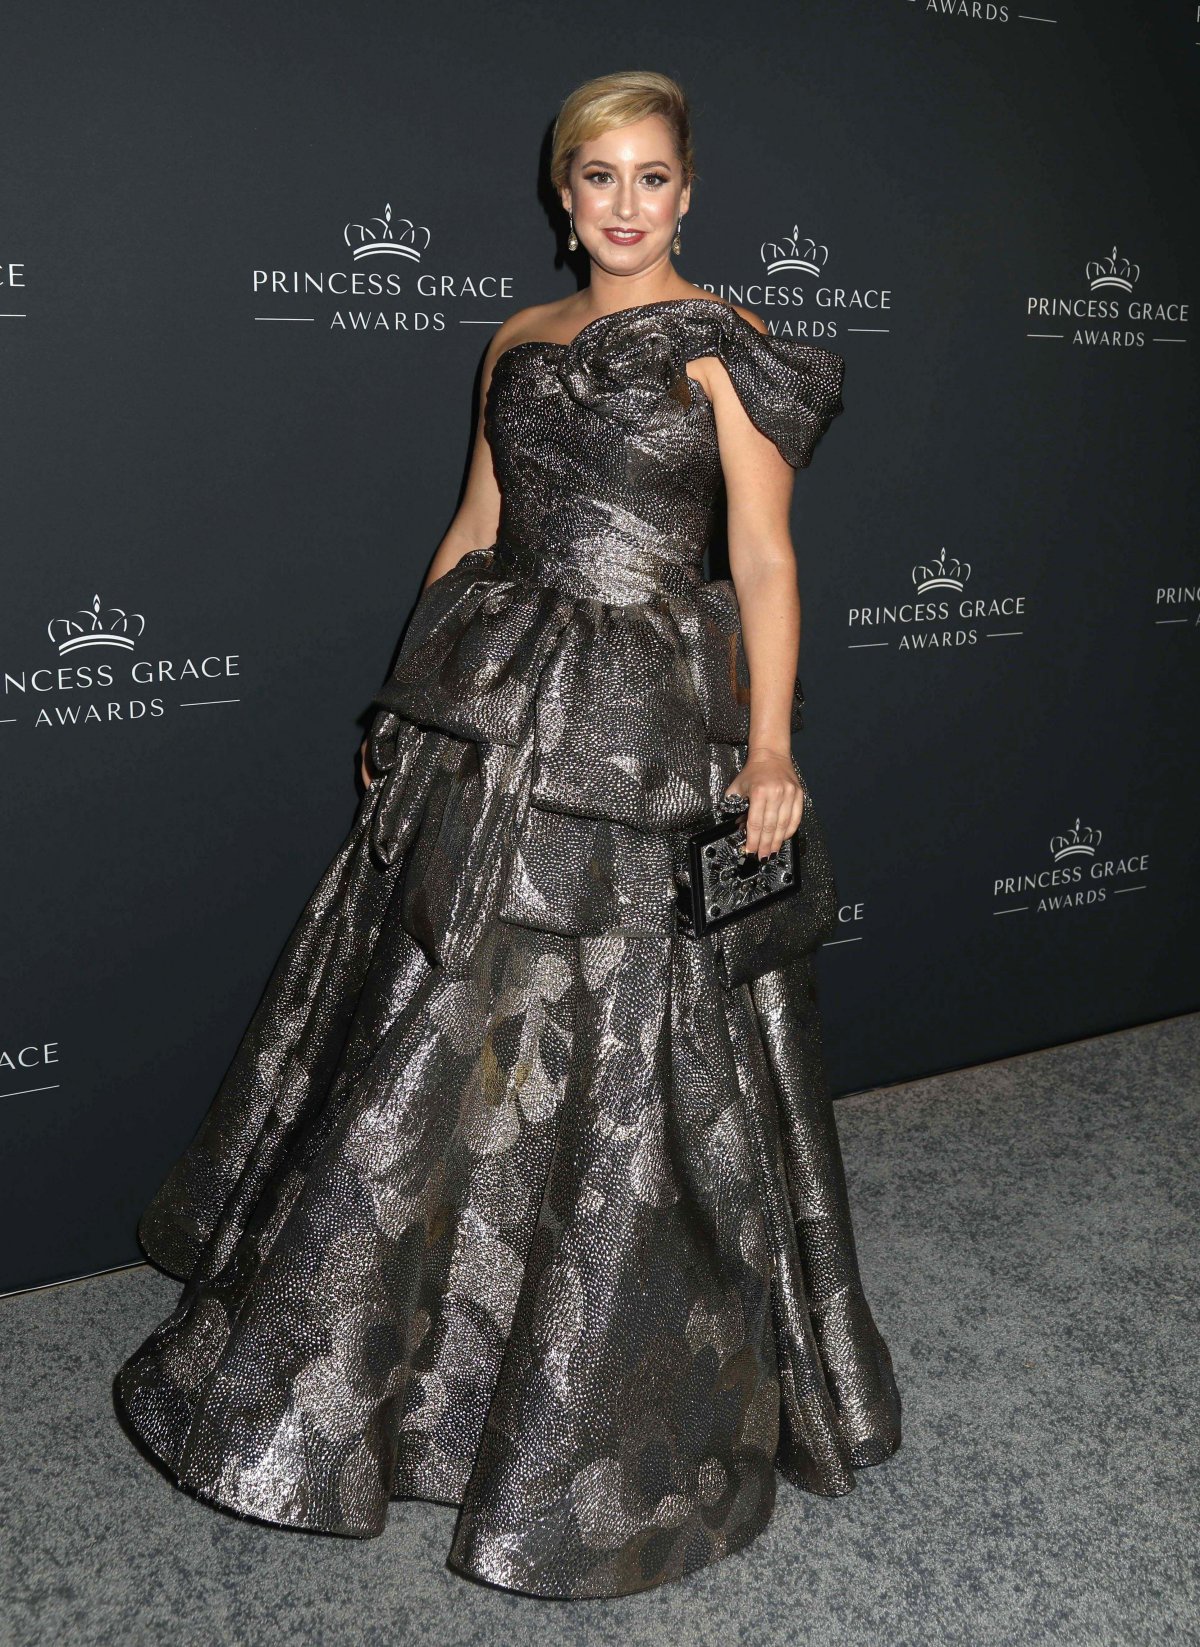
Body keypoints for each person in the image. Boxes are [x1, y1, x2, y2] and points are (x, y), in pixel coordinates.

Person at [114, 68, 901, 1601]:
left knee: (617, 1054)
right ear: (563, 194)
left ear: (690, 193)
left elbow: (762, 559)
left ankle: (583, 1392)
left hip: (647, 715)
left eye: (652, 178)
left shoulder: (728, 354)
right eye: (597, 176)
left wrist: (779, 745)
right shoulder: (515, 341)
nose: (623, 204)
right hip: (494, 699)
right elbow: (476, 522)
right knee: (433, 1023)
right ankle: (402, 1375)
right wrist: (414, 696)